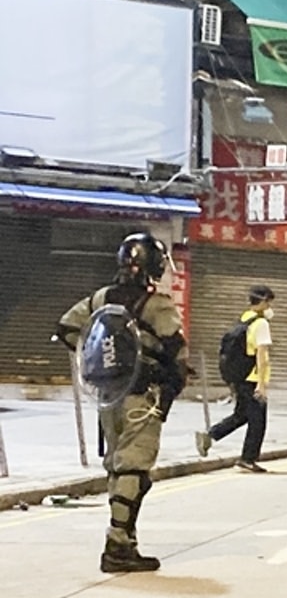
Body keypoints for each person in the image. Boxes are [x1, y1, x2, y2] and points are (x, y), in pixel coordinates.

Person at [55, 232, 187, 573]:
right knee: (134, 467)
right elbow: (176, 349)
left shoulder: (101, 298)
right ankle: (117, 545)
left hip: (108, 395)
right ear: (154, 266)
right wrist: (151, 358)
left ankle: (125, 541)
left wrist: (101, 358)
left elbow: (68, 329)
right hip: (142, 395)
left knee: (119, 465)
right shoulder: (156, 304)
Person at [196, 286, 274, 472]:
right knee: (258, 421)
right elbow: (261, 356)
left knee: (241, 415)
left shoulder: (244, 319)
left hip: (240, 378)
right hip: (253, 379)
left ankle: (210, 435)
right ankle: (248, 459)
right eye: (269, 302)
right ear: (263, 302)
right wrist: (261, 386)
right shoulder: (261, 324)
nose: (270, 306)